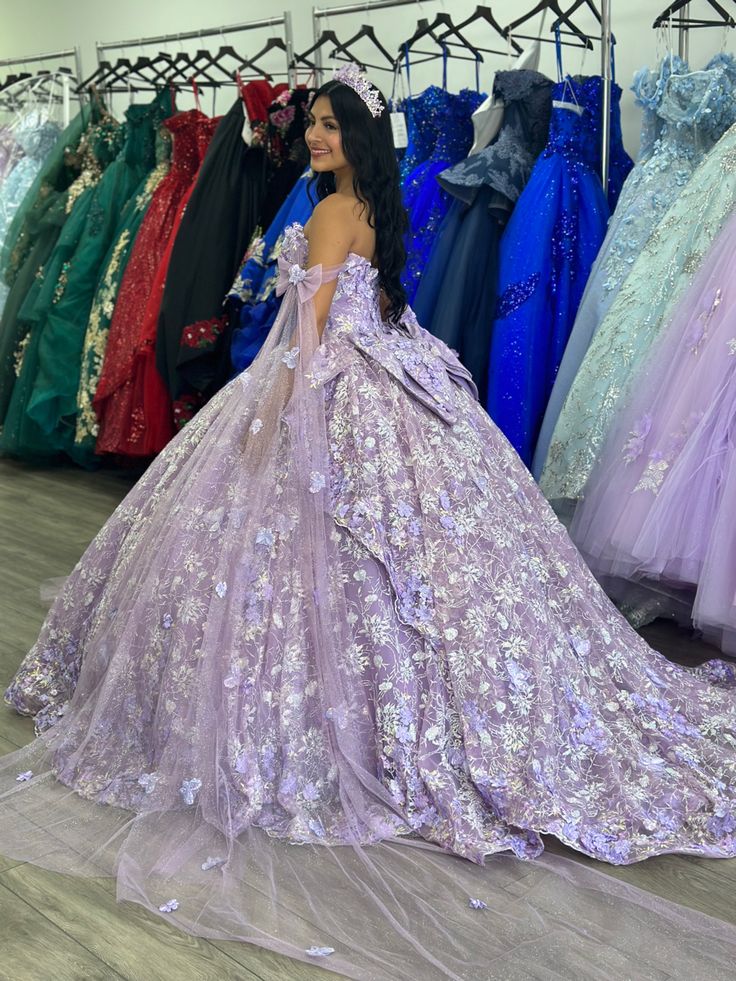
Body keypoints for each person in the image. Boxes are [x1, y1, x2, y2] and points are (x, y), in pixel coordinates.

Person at [0, 65, 735, 981]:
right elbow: (369, 307)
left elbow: (306, 332)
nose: (314, 137)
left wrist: (266, 418)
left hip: (335, 384)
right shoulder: (369, 210)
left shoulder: (332, 215)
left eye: (328, 126)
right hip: (391, 367)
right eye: (310, 124)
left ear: (357, 136)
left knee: (313, 551)